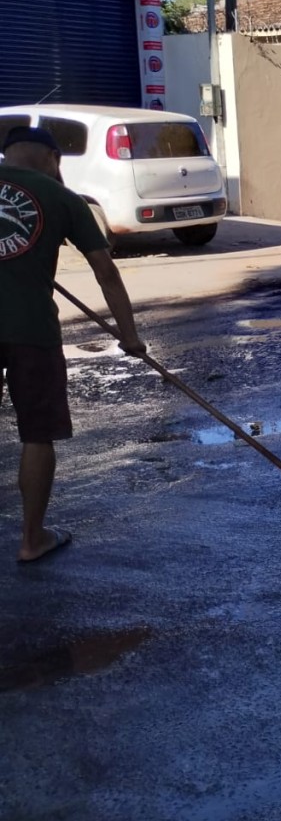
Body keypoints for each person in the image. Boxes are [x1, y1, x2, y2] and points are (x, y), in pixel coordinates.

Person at [1, 126, 145, 563]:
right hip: (31, 332)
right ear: (51, 157)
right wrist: (130, 336)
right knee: (37, 434)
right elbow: (106, 271)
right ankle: (32, 539)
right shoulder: (63, 198)